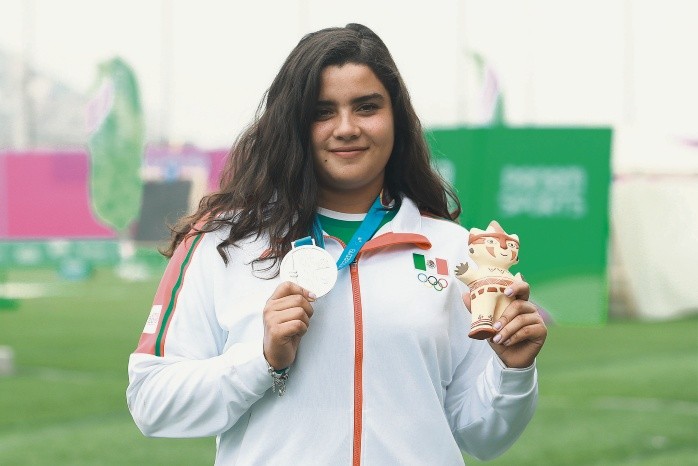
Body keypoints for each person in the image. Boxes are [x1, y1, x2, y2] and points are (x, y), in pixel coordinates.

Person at [127, 23, 547, 465]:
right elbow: (152, 402)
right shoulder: (224, 241)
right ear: (292, 124)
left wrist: (513, 370)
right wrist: (262, 360)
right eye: (322, 112)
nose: (346, 128)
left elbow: (483, 437)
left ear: (397, 118)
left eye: (367, 107)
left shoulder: (452, 249)